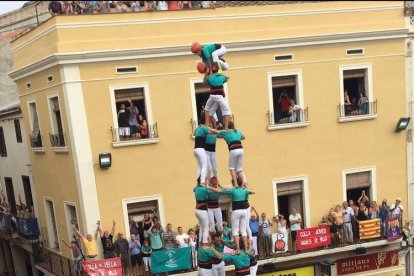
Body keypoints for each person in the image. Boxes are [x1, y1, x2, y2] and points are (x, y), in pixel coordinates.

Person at [208, 177, 253, 254]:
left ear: (233, 183)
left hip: (236, 211)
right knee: (243, 230)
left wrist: (208, 186)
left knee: (235, 230)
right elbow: (251, 191)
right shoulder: (244, 190)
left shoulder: (232, 190)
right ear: (241, 182)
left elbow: (219, 190)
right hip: (244, 212)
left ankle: (238, 249)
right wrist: (249, 191)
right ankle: (246, 248)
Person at [218, 121, 246, 187]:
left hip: (233, 150)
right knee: (239, 169)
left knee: (231, 168)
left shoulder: (226, 132)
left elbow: (217, 135)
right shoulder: (237, 131)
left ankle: (236, 184)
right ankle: (242, 185)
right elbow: (243, 137)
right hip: (241, 149)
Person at [194, 114, 219, 186]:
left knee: (200, 167)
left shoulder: (199, 128)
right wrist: (222, 131)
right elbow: (213, 131)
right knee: (205, 166)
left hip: (196, 149)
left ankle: (198, 182)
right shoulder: (204, 128)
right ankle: (202, 182)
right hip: (201, 149)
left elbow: (195, 132)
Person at [204, 65, 231, 130]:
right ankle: (226, 128)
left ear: (212, 71)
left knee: (207, 109)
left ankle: (208, 124)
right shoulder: (221, 77)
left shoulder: (210, 78)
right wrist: (223, 75)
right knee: (227, 111)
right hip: (219, 96)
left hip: (212, 96)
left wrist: (207, 73)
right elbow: (226, 79)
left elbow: (206, 81)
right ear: (218, 71)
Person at [194, 177, 212, 246]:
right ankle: (204, 243)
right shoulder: (205, 189)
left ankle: (200, 243)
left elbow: (194, 188)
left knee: (201, 228)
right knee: (206, 228)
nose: (207, 182)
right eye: (206, 181)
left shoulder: (196, 188)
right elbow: (211, 191)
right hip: (202, 211)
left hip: (197, 210)